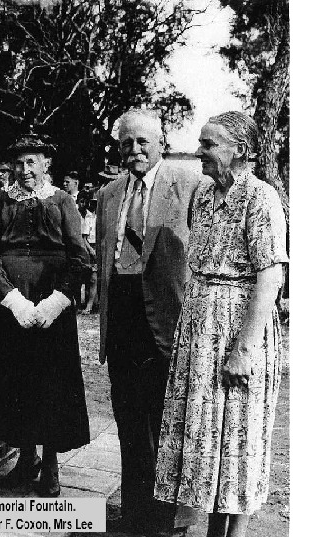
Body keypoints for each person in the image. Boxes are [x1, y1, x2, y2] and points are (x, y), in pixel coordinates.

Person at [154, 112, 288, 537]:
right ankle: (213, 530)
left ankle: (236, 534)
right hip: (200, 331)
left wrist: (243, 349)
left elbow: (270, 275)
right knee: (206, 435)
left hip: (238, 330)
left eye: (209, 144)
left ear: (240, 150)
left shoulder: (261, 197)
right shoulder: (205, 195)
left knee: (238, 438)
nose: (199, 152)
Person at [95, 108, 201, 537]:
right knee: (129, 418)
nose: (134, 150)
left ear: (162, 142)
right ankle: (134, 511)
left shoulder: (191, 184)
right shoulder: (109, 193)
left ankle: (164, 517)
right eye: (126, 143)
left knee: (165, 420)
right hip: (121, 318)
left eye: (143, 141)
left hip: (165, 320)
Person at [0, 133, 90, 497]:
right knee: (15, 382)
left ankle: (51, 465)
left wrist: (57, 301)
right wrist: (12, 299)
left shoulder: (62, 201)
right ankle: (26, 459)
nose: (24, 170)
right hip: (9, 306)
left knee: (49, 382)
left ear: (46, 164)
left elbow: (80, 257)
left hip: (50, 305)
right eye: (18, 163)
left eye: (32, 162)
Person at [77, 191, 98, 314]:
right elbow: (83, 237)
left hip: (95, 247)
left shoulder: (95, 217)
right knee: (85, 277)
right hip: (88, 248)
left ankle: (90, 305)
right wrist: (90, 250)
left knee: (94, 279)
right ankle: (82, 304)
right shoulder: (85, 217)